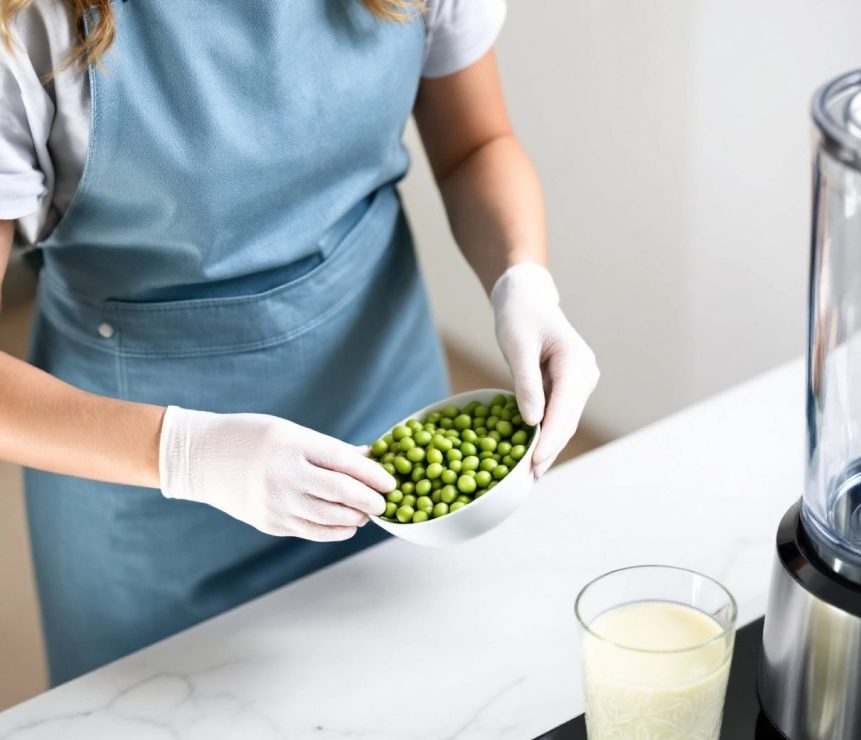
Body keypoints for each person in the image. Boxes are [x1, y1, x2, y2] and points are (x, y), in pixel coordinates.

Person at [0, 0, 599, 685]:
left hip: (387, 421)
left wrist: (522, 280)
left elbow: (473, 146)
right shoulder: (27, 27)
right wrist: (190, 456)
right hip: (149, 508)